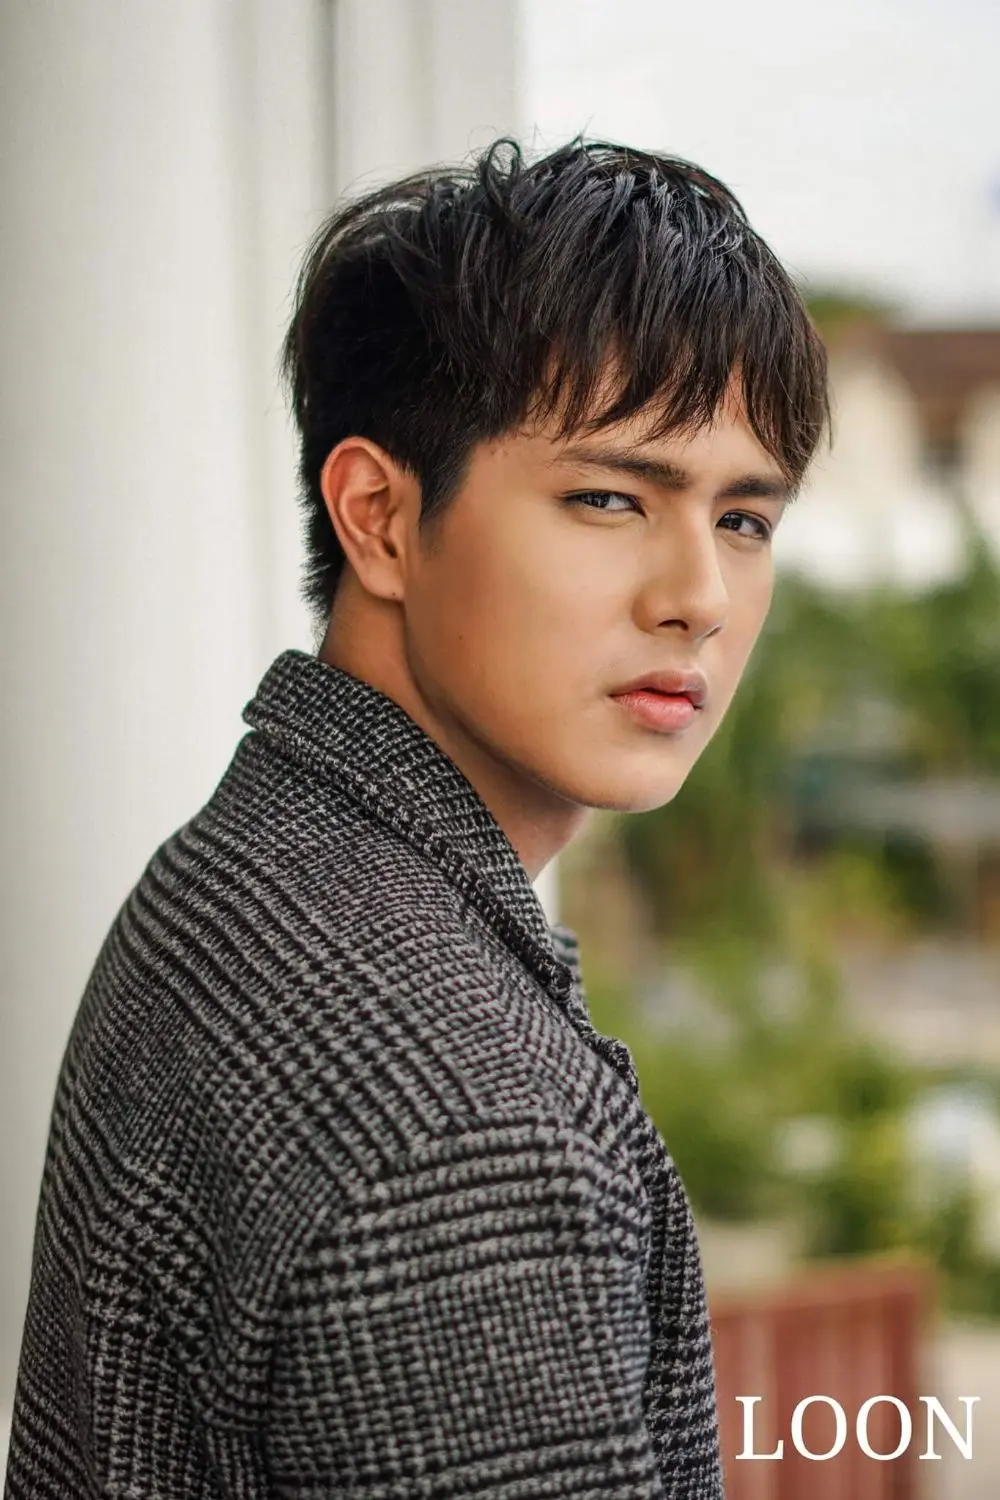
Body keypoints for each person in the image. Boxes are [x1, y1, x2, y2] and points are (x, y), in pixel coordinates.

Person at [5, 137, 828, 1499]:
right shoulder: (475, 1139)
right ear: (379, 517)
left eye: (744, 519)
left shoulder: (242, 867)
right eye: (610, 497)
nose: (698, 598)